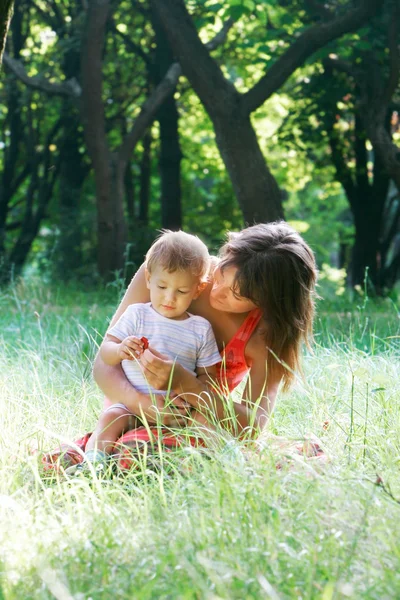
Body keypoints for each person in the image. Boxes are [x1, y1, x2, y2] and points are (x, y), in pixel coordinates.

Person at [92, 221, 317, 443]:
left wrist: (187, 385)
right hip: (126, 412)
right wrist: (142, 403)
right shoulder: (176, 270)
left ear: (266, 302)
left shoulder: (264, 336)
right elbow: (103, 364)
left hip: (198, 424)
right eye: (221, 275)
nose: (217, 292)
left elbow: (253, 425)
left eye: (236, 295)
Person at [68, 231, 221, 472]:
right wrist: (121, 349)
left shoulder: (200, 328)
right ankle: (93, 464)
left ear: (198, 290)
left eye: (181, 291)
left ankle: (231, 461)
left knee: (206, 422)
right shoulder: (137, 314)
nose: (169, 298)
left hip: (179, 410)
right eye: (162, 286)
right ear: (148, 279)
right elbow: (106, 355)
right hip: (132, 407)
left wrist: (188, 391)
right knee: (111, 417)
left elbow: (209, 378)